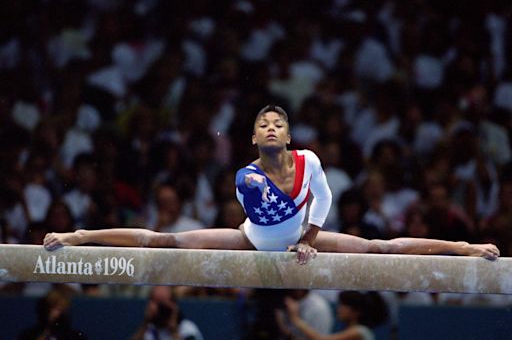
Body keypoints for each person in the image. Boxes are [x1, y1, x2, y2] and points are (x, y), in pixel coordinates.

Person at [43, 105, 500, 264]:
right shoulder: (247, 177)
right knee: (166, 240)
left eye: (278, 123)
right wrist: (288, 235)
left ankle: (460, 247)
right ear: (254, 136)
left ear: (288, 133)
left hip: (303, 239)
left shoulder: (309, 160)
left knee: (381, 250)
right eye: (263, 124)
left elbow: (324, 198)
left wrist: (308, 240)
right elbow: (265, 217)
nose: (271, 128)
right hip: (251, 240)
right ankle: (80, 235)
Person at [284, 291, 381, 340]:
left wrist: (296, 319)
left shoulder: (358, 332)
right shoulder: (356, 331)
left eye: (343, 305)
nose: (339, 308)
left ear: (356, 311)